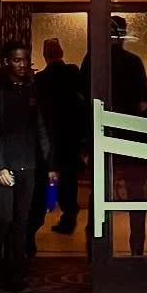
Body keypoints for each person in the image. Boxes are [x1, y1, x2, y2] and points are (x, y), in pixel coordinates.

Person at [84, 16, 147, 257]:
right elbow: (145, 102)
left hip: (101, 137)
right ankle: (137, 249)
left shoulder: (92, 61)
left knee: (100, 195)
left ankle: (96, 252)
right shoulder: (132, 63)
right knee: (136, 197)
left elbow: (81, 101)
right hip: (130, 140)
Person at [0, 42, 55, 293]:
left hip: (28, 165)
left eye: (25, 60)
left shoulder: (32, 90)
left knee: (22, 221)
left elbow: (41, 128)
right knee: (3, 219)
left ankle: (16, 275)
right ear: (7, 61)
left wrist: (50, 165)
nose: (22, 65)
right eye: (17, 60)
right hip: (6, 166)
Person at [37, 37, 87, 235]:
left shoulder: (41, 79)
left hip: (49, 135)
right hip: (70, 134)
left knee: (49, 177)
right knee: (69, 180)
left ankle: (49, 210)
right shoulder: (72, 72)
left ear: (45, 55)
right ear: (61, 52)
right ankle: (69, 216)